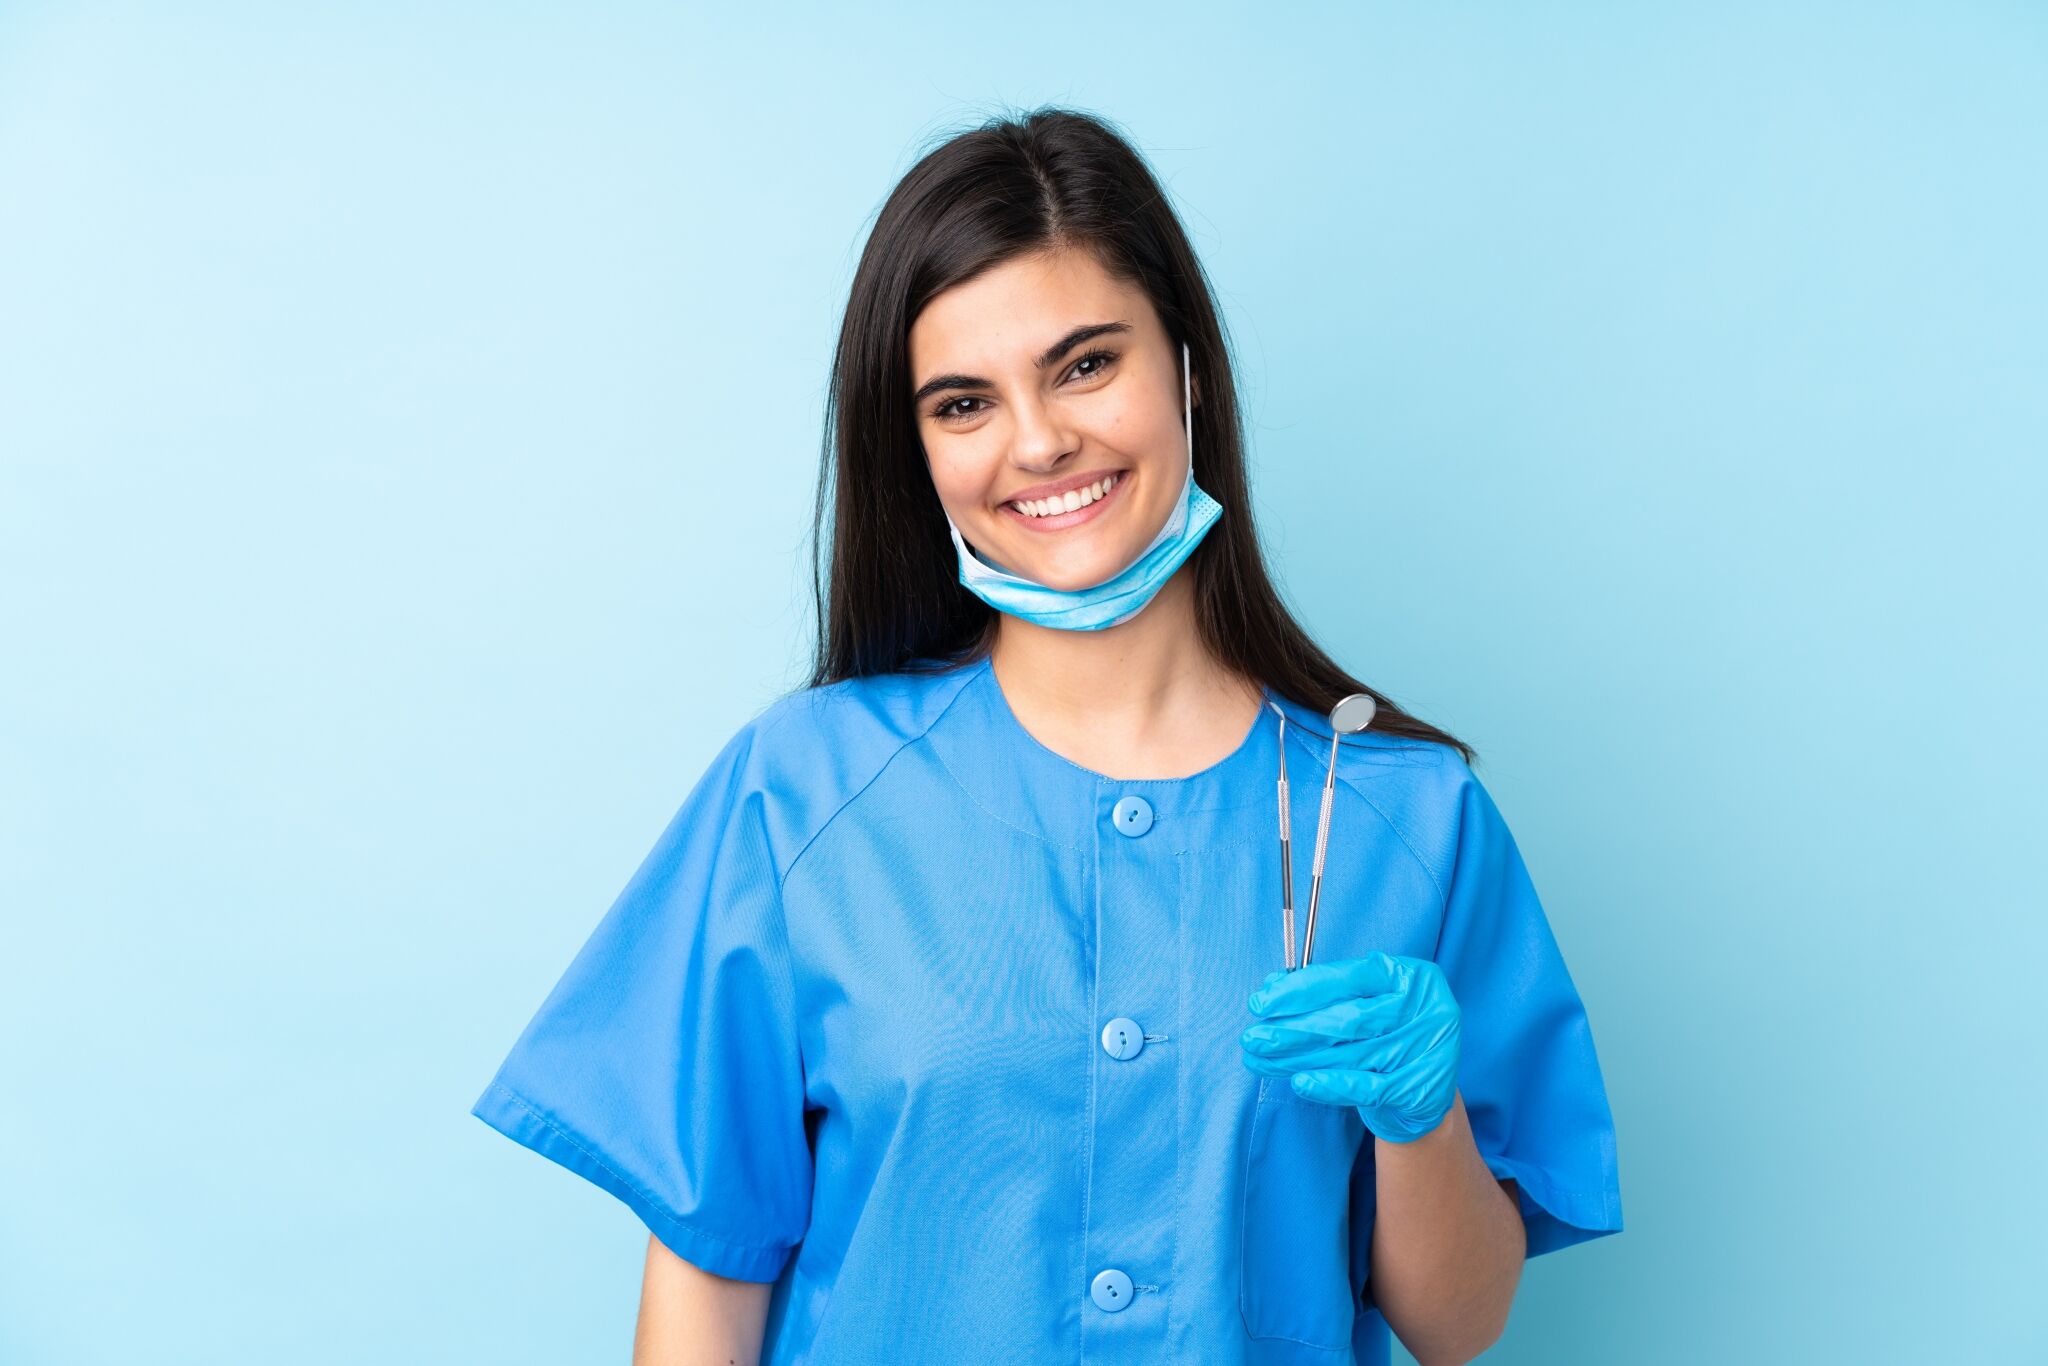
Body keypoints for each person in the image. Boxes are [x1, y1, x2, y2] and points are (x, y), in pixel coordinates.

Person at [470, 105, 1624, 1366]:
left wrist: (1421, 1119)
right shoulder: (801, 796)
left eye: (1085, 364)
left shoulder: (1409, 820)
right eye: (962, 402)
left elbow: (1456, 1327)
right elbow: (704, 1299)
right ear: (912, 451)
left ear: (1184, 368)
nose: (1036, 441)